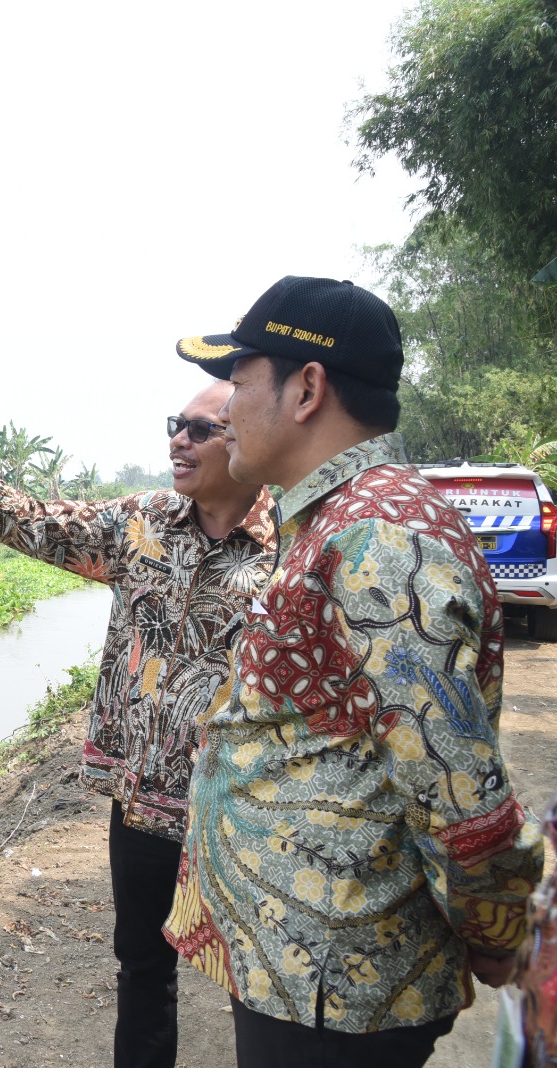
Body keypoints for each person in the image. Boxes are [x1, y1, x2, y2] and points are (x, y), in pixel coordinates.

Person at [165, 276, 545, 1067]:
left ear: (307, 389)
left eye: (237, 384)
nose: (223, 409)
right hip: (305, 971)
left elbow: (458, 796)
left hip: (338, 991)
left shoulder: (379, 539)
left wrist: (498, 933)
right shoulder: (334, 519)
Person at [0, 374, 275, 1068]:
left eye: (201, 428)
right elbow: (36, 523)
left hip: (240, 813)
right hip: (142, 806)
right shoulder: (139, 524)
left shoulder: (289, 549)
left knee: (256, 983)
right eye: (175, 423)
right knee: (143, 967)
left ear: (247, 441)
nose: (179, 438)